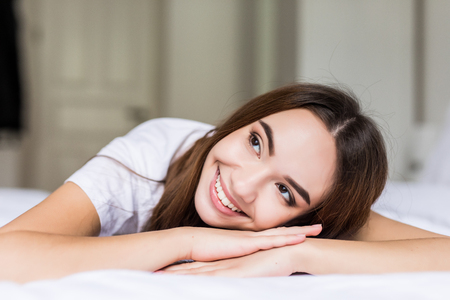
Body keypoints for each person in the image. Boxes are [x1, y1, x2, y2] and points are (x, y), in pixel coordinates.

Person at [0, 83, 448, 283]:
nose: (243, 184)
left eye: (285, 190)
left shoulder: (319, 217)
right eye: (256, 142)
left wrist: (301, 252)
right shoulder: (152, 156)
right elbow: (7, 254)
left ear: (312, 214)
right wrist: (188, 241)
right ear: (239, 121)